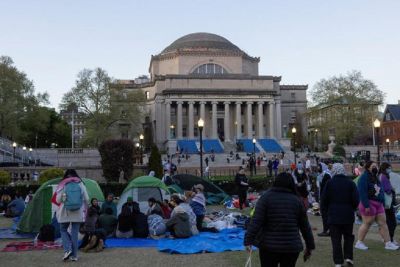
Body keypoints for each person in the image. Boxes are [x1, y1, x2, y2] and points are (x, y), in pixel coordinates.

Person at [244, 172, 315, 267]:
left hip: (269, 246)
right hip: (291, 246)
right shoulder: (297, 200)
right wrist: (310, 246)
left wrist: (248, 240)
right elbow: (305, 227)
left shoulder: (266, 198)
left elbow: (256, 221)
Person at [321, 163, 360, 267]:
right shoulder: (350, 183)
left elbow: (324, 200)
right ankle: (349, 257)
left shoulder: (330, 183)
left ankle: (338, 261)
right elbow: (356, 199)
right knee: (348, 237)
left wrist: (326, 211)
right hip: (347, 214)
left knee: (336, 239)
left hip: (333, 214)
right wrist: (352, 207)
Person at [355, 161, 399, 250]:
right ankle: (359, 242)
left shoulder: (375, 177)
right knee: (367, 223)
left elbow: (381, 189)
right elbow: (362, 193)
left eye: (376, 166)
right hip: (368, 203)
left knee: (383, 223)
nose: (375, 167)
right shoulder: (363, 177)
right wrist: (366, 205)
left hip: (378, 204)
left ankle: (388, 243)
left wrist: (382, 201)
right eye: (373, 166)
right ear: (368, 167)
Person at [54, 169, 89, 261]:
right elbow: (87, 199)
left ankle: (67, 249)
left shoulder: (63, 184)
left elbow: (57, 200)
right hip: (77, 212)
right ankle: (74, 256)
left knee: (63, 229)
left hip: (65, 211)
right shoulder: (81, 183)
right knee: (74, 234)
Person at [379, 162, 398, 245]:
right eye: (389, 168)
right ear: (385, 168)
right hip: (388, 203)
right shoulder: (384, 177)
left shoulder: (380, 176)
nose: (390, 170)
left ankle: (386, 238)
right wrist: (392, 189)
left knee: (386, 222)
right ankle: (390, 239)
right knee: (392, 222)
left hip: (383, 203)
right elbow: (387, 189)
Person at [318, 162, 332, 237]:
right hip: (324, 198)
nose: (318, 168)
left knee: (325, 215)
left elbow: (325, 188)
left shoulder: (326, 175)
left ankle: (326, 230)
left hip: (325, 199)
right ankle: (327, 230)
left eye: (319, 167)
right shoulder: (323, 175)